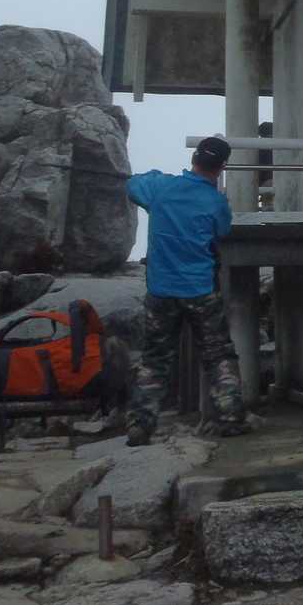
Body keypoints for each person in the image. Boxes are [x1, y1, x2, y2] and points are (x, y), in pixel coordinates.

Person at [123, 135, 247, 445]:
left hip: (161, 290)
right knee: (218, 355)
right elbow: (223, 230)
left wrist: (154, 176)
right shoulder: (215, 202)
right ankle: (231, 419)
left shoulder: (161, 188)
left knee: (154, 359)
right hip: (200, 289)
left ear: (194, 159)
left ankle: (140, 425)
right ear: (221, 168)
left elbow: (132, 185)